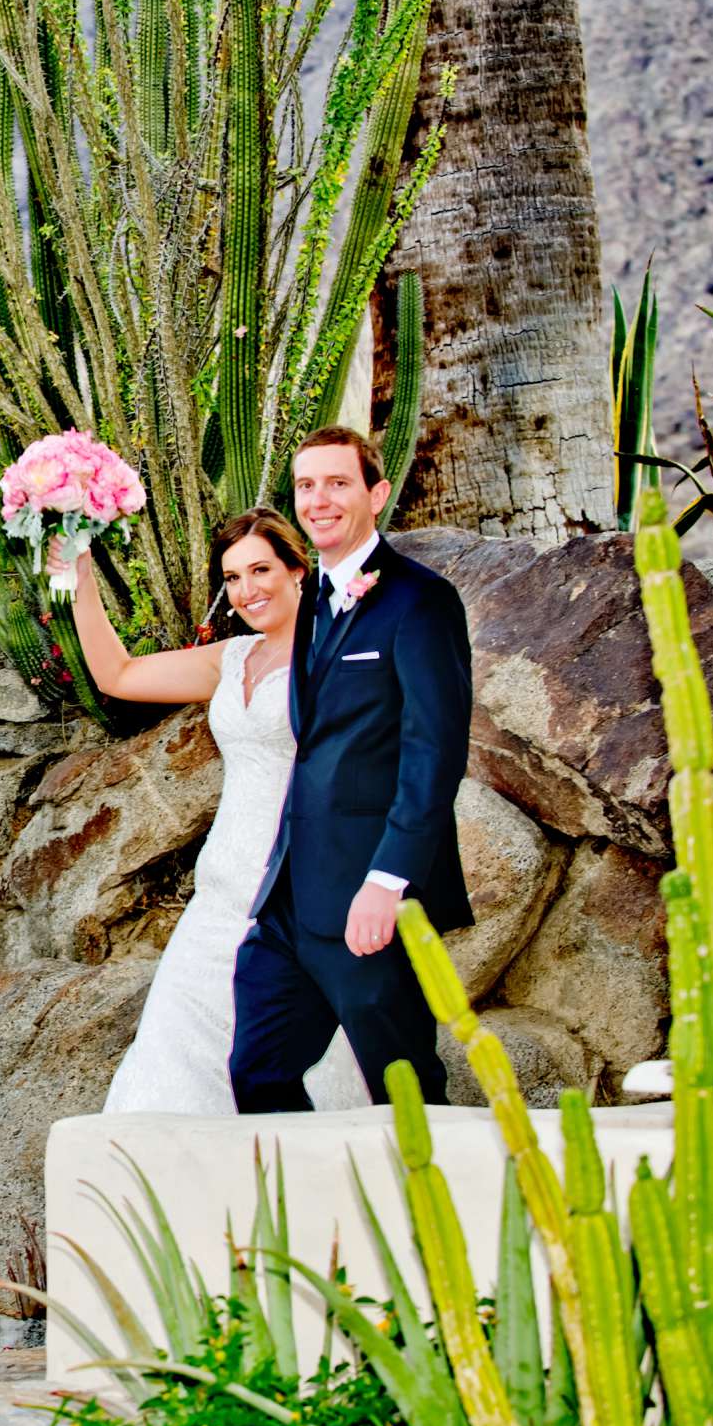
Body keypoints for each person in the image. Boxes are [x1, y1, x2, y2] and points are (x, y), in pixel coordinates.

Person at [59, 509, 368, 1114]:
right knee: (171, 1062)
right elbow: (116, 675)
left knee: (292, 1070)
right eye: (232, 577)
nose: (248, 590)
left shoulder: (340, 655)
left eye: (261, 569)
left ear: (298, 569)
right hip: (221, 889)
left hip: (299, 894)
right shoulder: (232, 658)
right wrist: (81, 575)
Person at [230, 425, 472, 1112]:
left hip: (372, 899)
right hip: (289, 903)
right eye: (307, 485)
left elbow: (435, 755)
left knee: (405, 1091)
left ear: (377, 492)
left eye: (338, 483)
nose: (320, 499)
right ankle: (309, 1217)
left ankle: (438, 1218)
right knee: (258, 1073)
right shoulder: (309, 605)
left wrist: (389, 882)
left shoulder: (420, 602)